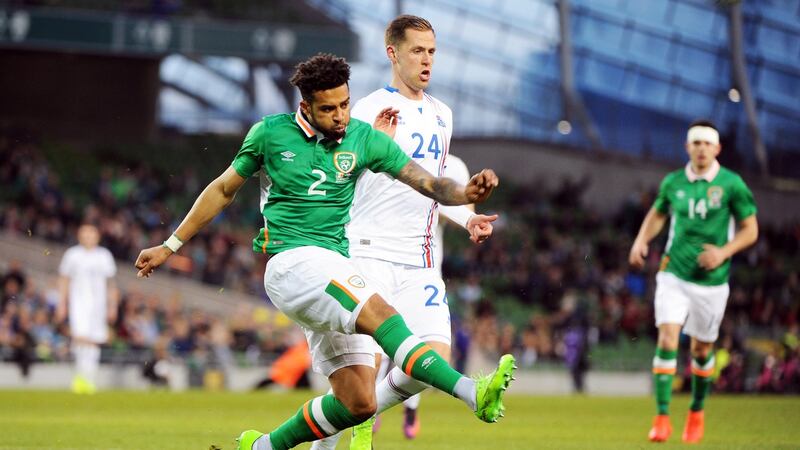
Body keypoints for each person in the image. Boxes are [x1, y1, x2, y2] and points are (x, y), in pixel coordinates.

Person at [134, 53, 515, 450]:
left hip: (332, 264)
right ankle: (472, 392)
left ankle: (262, 447)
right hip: (292, 263)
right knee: (382, 313)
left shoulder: (363, 137)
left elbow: (426, 183)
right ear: (305, 107)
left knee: (359, 402)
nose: (340, 116)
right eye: (328, 109)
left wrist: (464, 193)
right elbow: (223, 190)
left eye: (345, 105)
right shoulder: (270, 134)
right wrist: (170, 244)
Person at [312, 16, 496, 449]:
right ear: (392, 53)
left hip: (422, 260)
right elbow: (332, 177)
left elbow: (433, 183)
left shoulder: (442, 115)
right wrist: (368, 146)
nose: (427, 59)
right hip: (369, 250)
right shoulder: (365, 109)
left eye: (432, 51)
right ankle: (336, 435)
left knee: (433, 361)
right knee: (364, 370)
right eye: (417, 50)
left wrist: (466, 213)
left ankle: (361, 417)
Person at [628, 119, 758, 444]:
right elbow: (658, 214)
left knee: (702, 350)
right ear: (687, 147)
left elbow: (750, 229)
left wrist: (724, 252)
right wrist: (641, 240)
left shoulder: (732, 184)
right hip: (674, 272)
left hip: (712, 281)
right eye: (695, 143)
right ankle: (661, 418)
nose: (701, 148)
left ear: (717, 148)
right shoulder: (673, 183)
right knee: (668, 339)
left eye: (706, 143)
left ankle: (696, 413)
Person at [56, 223, 119, 394]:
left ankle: (88, 379)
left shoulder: (104, 256)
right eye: (84, 234)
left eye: (91, 234)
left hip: (99, 305)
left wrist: (113, 306)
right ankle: (80, 377)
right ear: (79, 236)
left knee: (94, 340)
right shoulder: (72, 255)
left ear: (97, 236)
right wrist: (62, 303)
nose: (88, 237)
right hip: (78, 303)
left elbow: (111, 283)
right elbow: (64, 280)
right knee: (81, 338)